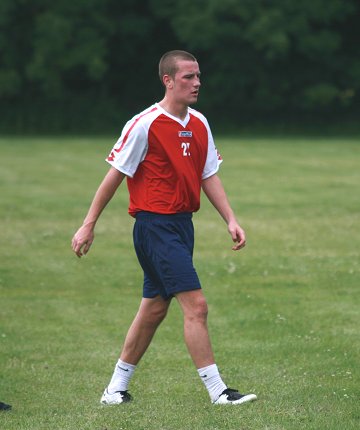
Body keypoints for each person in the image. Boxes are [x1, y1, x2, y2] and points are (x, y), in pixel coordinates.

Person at [71, 50, 257, 406]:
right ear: (168, 81)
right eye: (188, 77)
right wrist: (88, 224)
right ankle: (219, 392)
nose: (197, 82)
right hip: (154, 227)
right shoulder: (145, 124)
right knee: (196, 306)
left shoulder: (200, 122)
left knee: (155, 308)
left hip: (182, 226)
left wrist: (230, 219)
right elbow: (114, 176)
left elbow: (208, 174)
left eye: (198, 76)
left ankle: (114, 390)